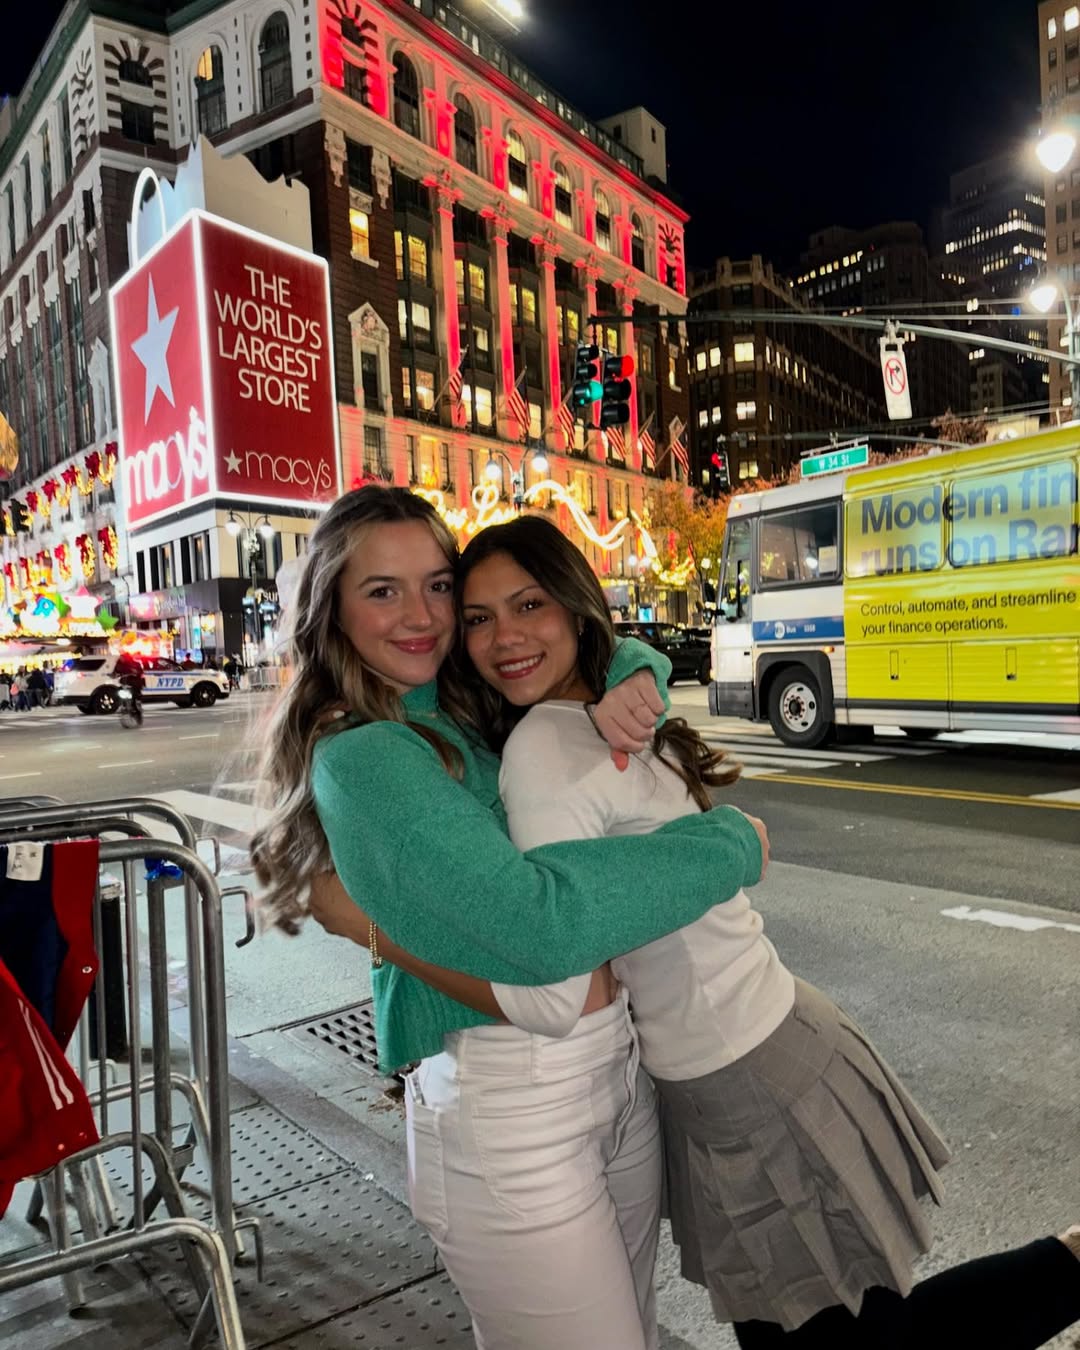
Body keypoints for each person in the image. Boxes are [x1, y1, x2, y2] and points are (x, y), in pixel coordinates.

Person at [326, 514, 1080, 1350]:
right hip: (766, 1041)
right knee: (857, 1327)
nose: (501, 635)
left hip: (737, 1071)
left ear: (575, 606)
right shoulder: (592, 714)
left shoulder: (546, 738)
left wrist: (368, 928)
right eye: (478, 615)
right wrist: (637, 672)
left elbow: (552, 964)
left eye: (527, 604)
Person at [252, 486, 769, 1350]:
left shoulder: (455, 701)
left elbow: (561, 643)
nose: (421, 616)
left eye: (438, 586)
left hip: (615, 1072)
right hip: (509, 1106)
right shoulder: (366, 753)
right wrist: (731, 846)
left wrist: (633, 669)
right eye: (382, 591)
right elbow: (541, 933)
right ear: (331, 610)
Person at [117, 658, 144, 727]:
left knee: (134, 700)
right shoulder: (120, 664)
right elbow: (116, 671)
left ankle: (138, 714)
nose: (122, 659)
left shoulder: (136, 664)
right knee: (119, 693)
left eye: (123, 658)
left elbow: (140, 672)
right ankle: (122, 707)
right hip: (125, 685)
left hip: (134, 685)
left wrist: (135, 672)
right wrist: (113, 675)